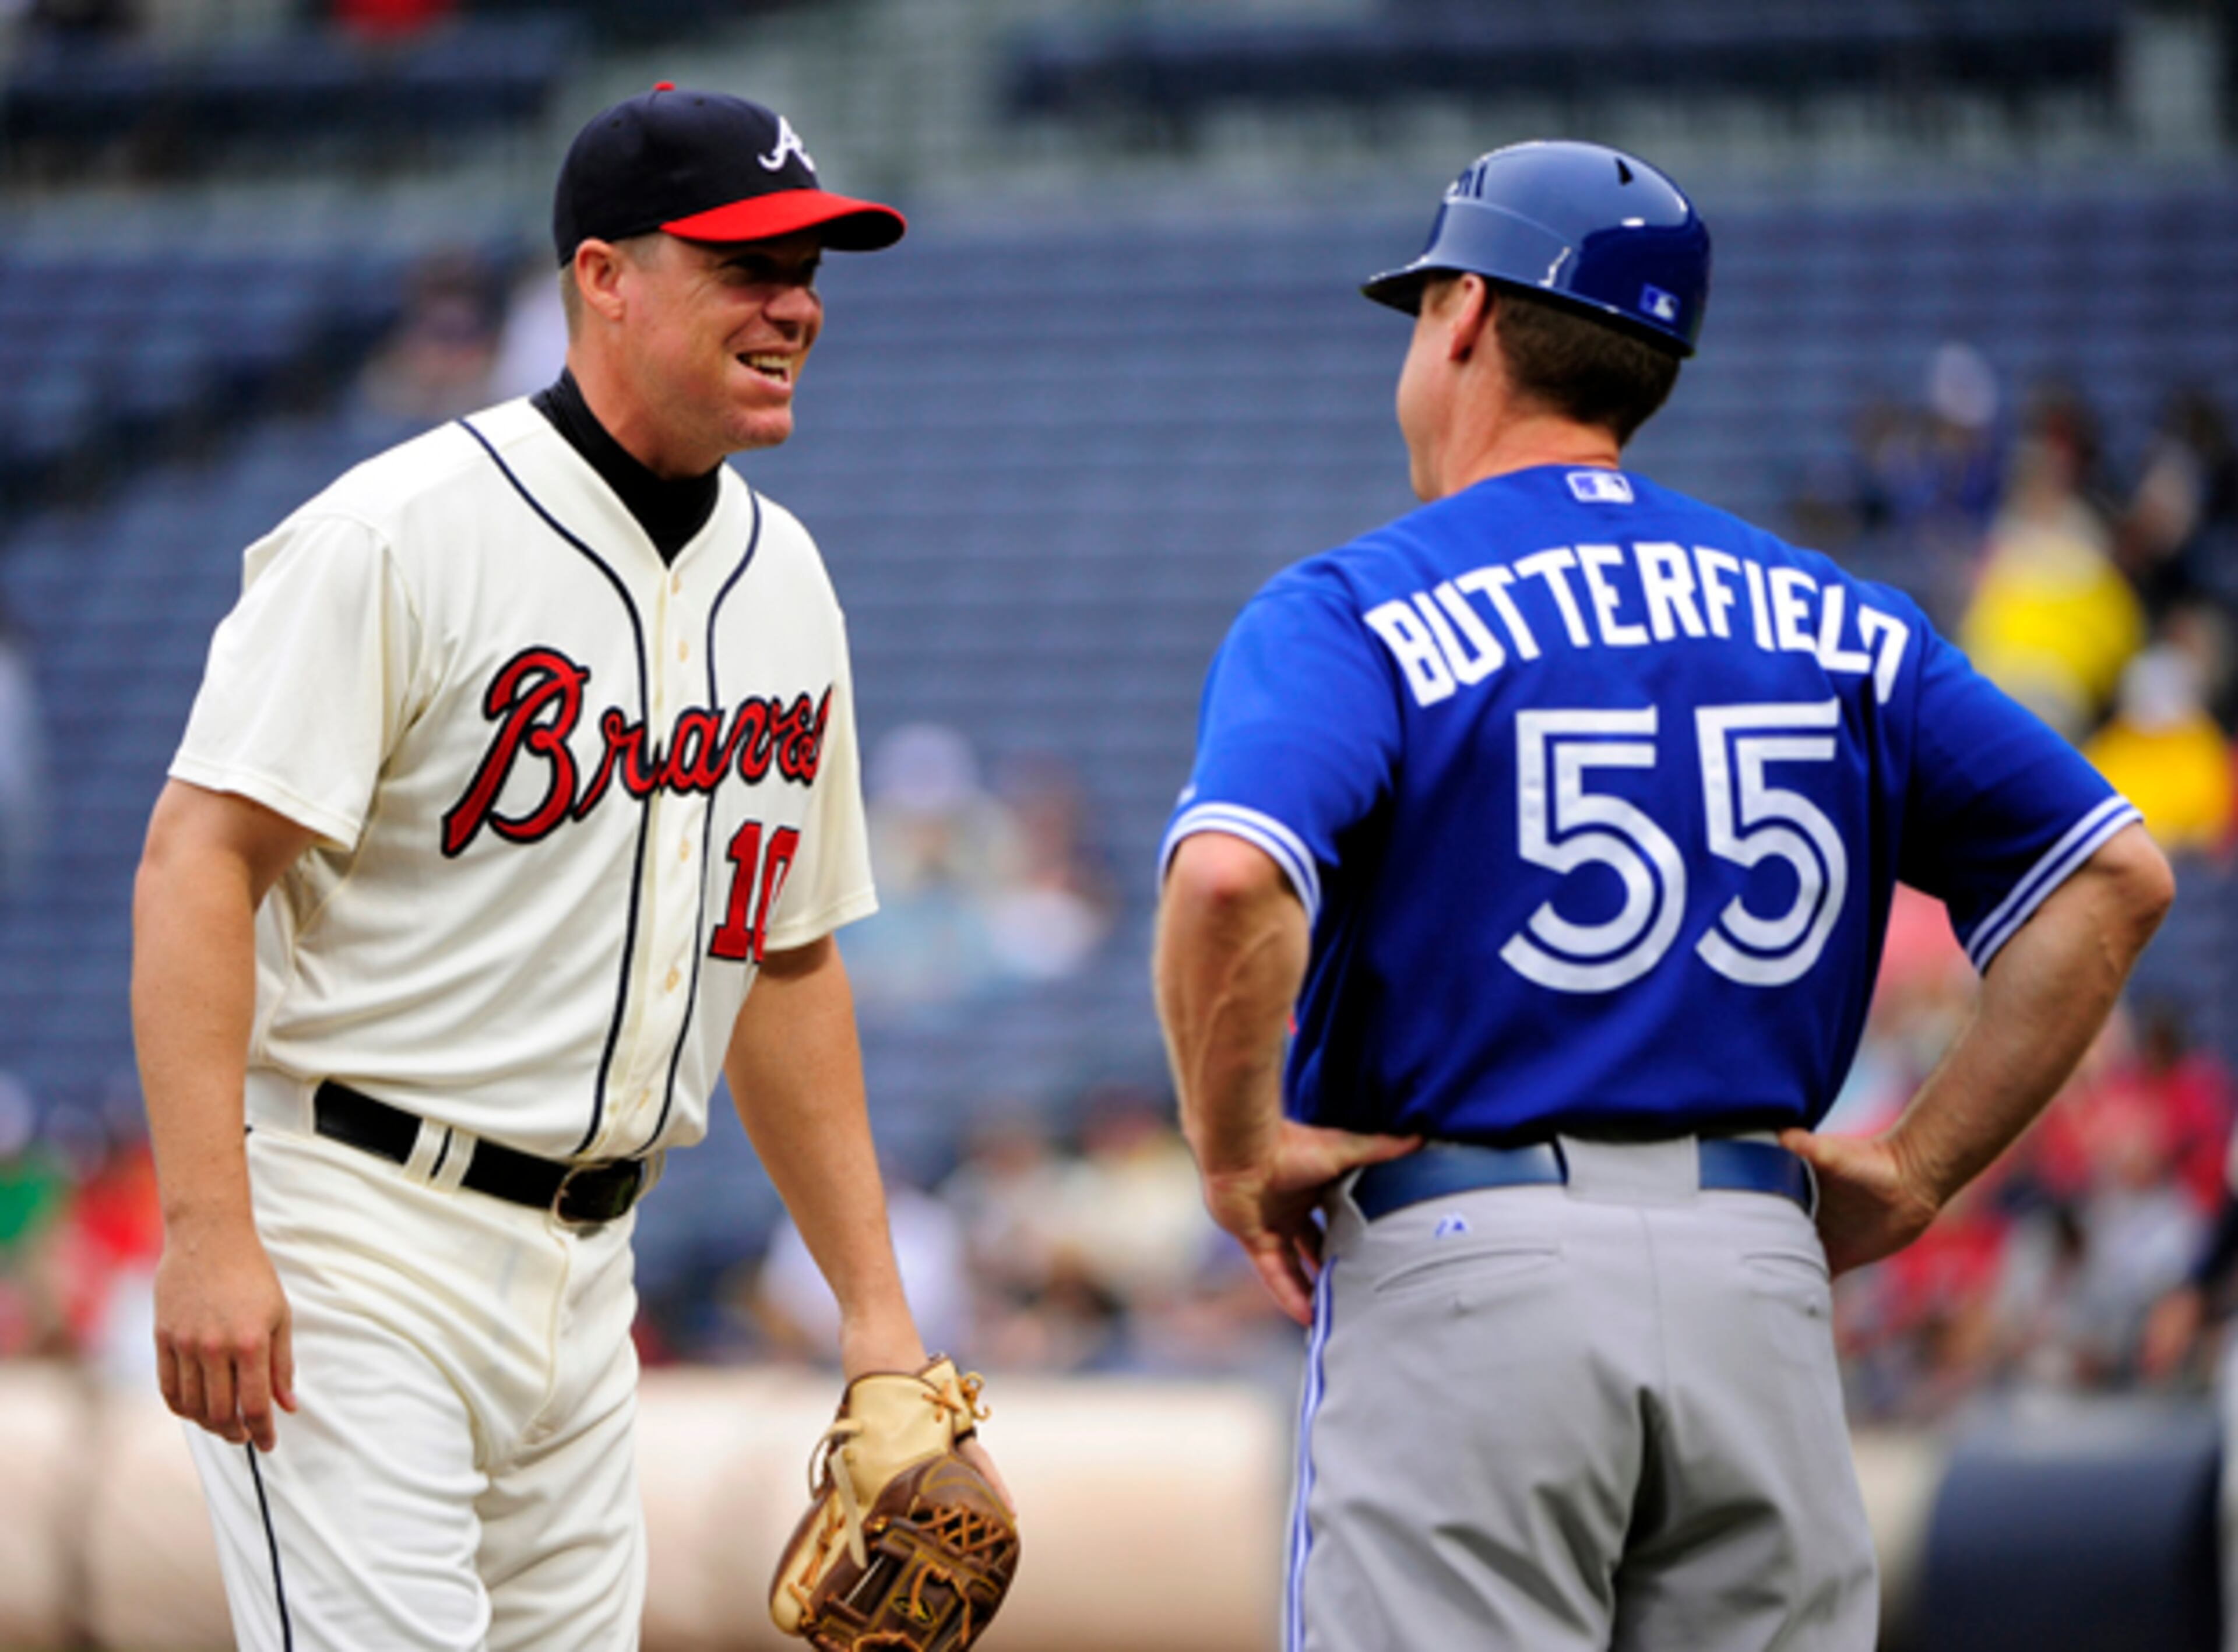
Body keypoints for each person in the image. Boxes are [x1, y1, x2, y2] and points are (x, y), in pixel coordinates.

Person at [1152, 140, 2173, 1651]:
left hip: (1468, 1265)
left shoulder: (1354, 603)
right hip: (1757, 1274)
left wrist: (1236, 1147)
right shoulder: (1841, 614)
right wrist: (1919, 1166)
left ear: (1464, 317)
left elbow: (1235, 874)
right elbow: (2114, 873)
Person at [132, 85, 1002, 1651]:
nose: (795, 301)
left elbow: (784, 960)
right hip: (357, 1231)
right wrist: (208, 1226)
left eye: (809, 265)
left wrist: (881, 1328)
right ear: (604, 277)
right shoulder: (399, 533)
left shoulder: (787, 580)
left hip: (592, 1270)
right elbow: (201, 855)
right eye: (747, 263)